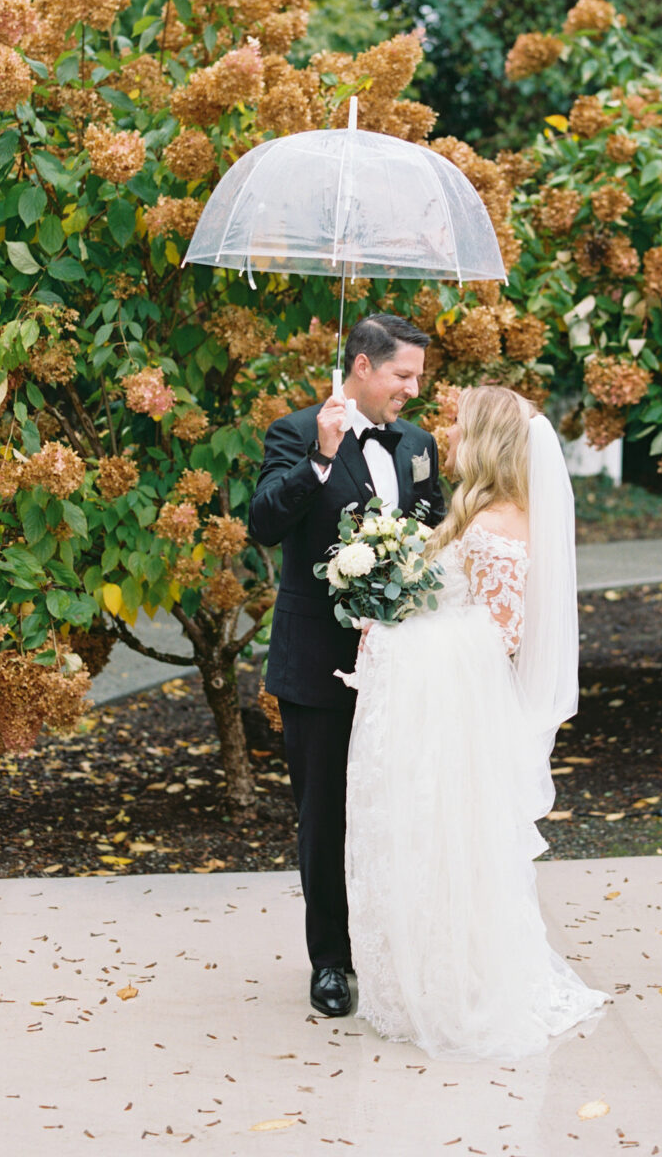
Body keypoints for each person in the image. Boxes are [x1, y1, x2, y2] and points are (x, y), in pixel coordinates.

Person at [337, 384, 610, 1060]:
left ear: (485, 438)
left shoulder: (490, 526)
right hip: (461, 706)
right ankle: (439, 975)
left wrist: (391, 629)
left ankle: (450, 985)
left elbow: (498, 631)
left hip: (451, 712)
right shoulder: (498, 511)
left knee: (440, 841)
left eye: (457, 427)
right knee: (453, 843)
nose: (447, 436)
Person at [248, 313, 446, 1019]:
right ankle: (330, 961)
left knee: (399, 809)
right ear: (361, 367)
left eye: (417, 376)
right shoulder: (296, 432)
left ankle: (397, 947)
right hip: (317, 664)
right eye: (402, 375)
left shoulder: (417, 444)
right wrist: (320, 462)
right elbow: (262, 523)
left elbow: (433, 529)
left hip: (402, 666)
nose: (412, 390)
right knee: (324, 815)